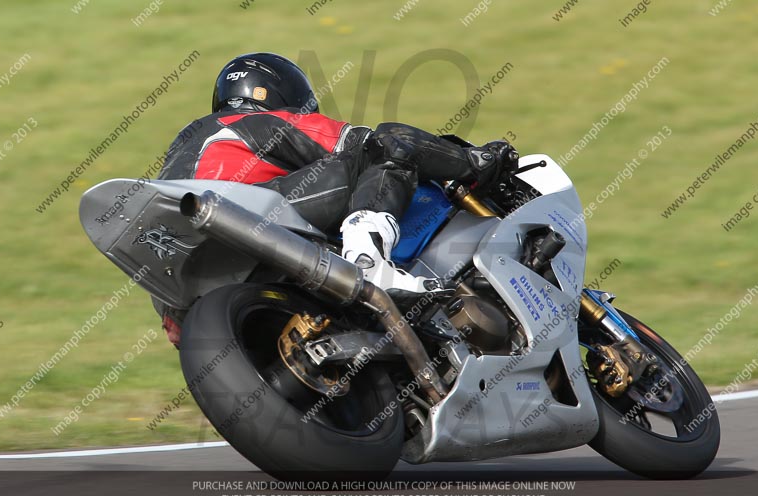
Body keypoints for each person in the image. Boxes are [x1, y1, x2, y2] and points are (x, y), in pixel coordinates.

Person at [156, 52, 517, 342]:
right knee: (391, 144)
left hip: (188, 282)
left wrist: (173, 316)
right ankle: (369, 259)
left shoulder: (177, 153)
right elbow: (367, 143)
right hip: (252, 214)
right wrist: (474, 163)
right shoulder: (258, 121)